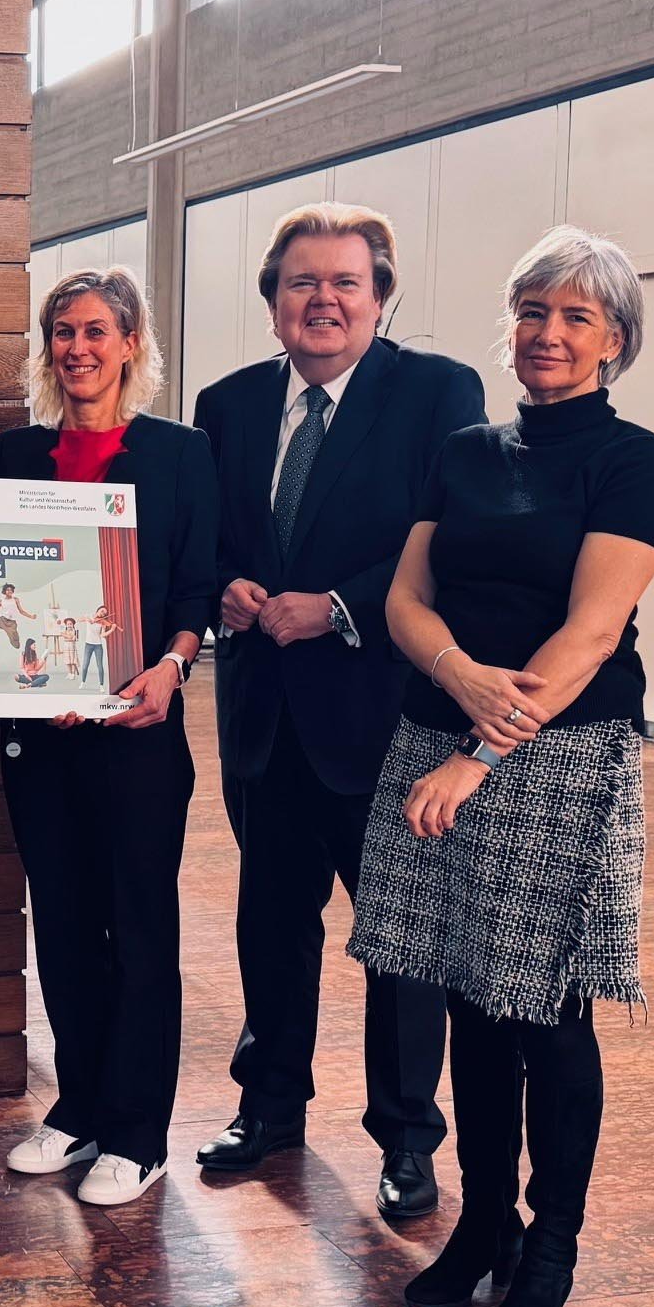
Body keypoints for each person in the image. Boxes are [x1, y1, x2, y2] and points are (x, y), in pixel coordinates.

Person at [349, 226, 654, 1307]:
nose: (549, 333)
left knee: (543, 1009)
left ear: (615, 340)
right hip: (438, 727)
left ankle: (550, 1252)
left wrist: (476, 752)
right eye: (535, 309)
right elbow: (405, 598)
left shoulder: (633, 461)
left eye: (577, 316)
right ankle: (483, 1223)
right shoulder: (466, 447)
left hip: (555, 758)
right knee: (464, 994)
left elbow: (589, 635)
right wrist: (454, 676)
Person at [194, 202, 485, 1220]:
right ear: (271, 301)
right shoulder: (225, 405)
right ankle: (268, 1107)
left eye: (344, 282)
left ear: (380, 295)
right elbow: (207, 539)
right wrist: (224, 585)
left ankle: (408, 1139)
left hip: (388, 719)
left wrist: (344, 607)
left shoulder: (440, 393)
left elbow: (454, 541)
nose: (322, 299)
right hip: (264, 721)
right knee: (272, 925)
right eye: (300, 282)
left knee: (399, 941)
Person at [0, 267, 217, 1205]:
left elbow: (198, 590)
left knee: (139, 927)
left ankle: (139, 1130)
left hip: (136, 735)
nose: (77, 349)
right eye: (62, 333)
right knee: (67, 926)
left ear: (131, 343)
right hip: (38, 740)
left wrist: (173, 666)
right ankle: (79, 1108)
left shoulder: (180, 454)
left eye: (95, 331)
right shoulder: (12, 455)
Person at [0, 582, 34, 647]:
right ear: (4, 591)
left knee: (16, 645)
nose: (9, 591)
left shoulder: (15, 599)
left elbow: (21, 611)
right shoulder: (1, 601)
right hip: (2, 620)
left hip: (11, 624)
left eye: (11, 590)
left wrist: (31, 616)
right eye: (8, 590)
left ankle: (14, 640)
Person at [81, 606, 117, 687]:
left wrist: (111, 630)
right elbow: (79, 620)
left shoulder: (103, 622)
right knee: (85, 665)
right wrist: (88, 619)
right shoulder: (89, 616)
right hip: (88, 644)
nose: (103, 613)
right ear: (98, 610)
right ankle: (82, 682)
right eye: (102, 611)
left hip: (98, 645)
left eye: (104, 613)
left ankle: (101, 685)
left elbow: (102, 635)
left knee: (100, 666)